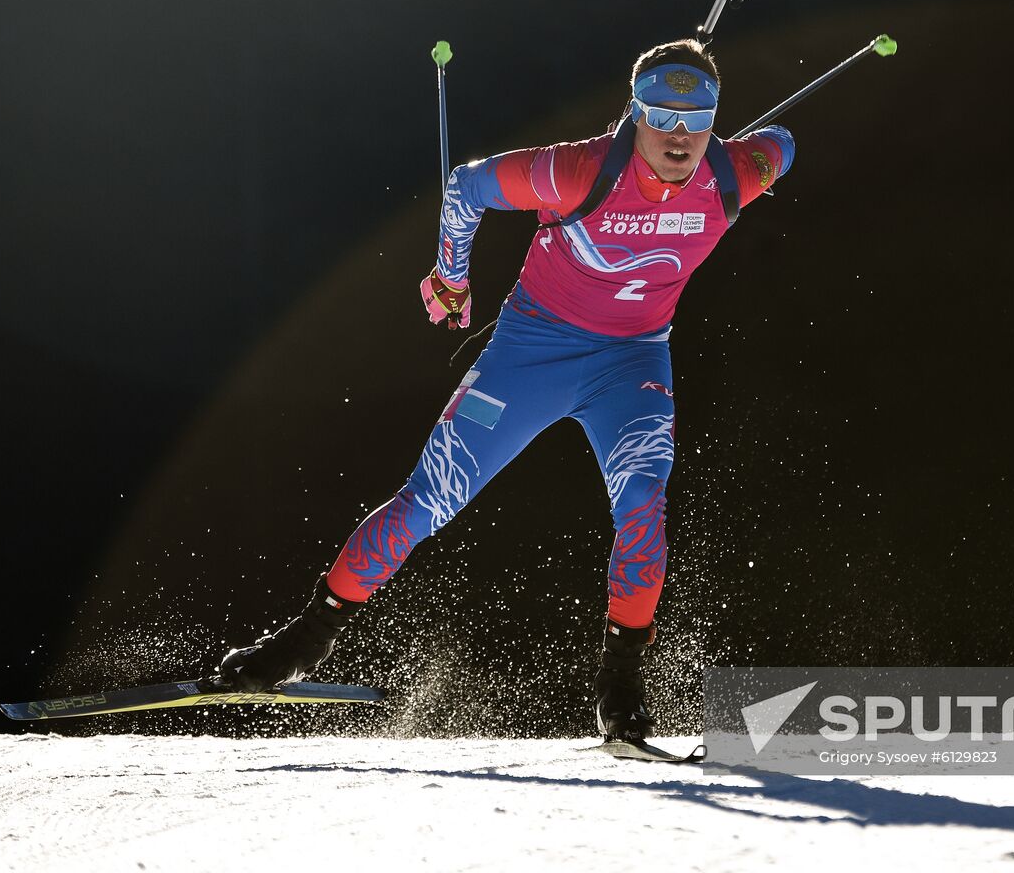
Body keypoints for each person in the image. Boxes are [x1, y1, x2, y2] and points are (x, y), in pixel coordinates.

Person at [217, 38, 794, 742]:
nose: (679, 134)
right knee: (428, 499)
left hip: (632, 363)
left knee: (643, 500)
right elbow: (466, 186)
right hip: (531, 355)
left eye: (696, 115)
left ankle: (619, 682)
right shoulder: (578, 171)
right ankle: (303, 640)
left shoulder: (736, 172)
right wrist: (451, 277)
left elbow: (783, 141)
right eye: (661, 114)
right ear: (633, 112)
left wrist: (727, 152)